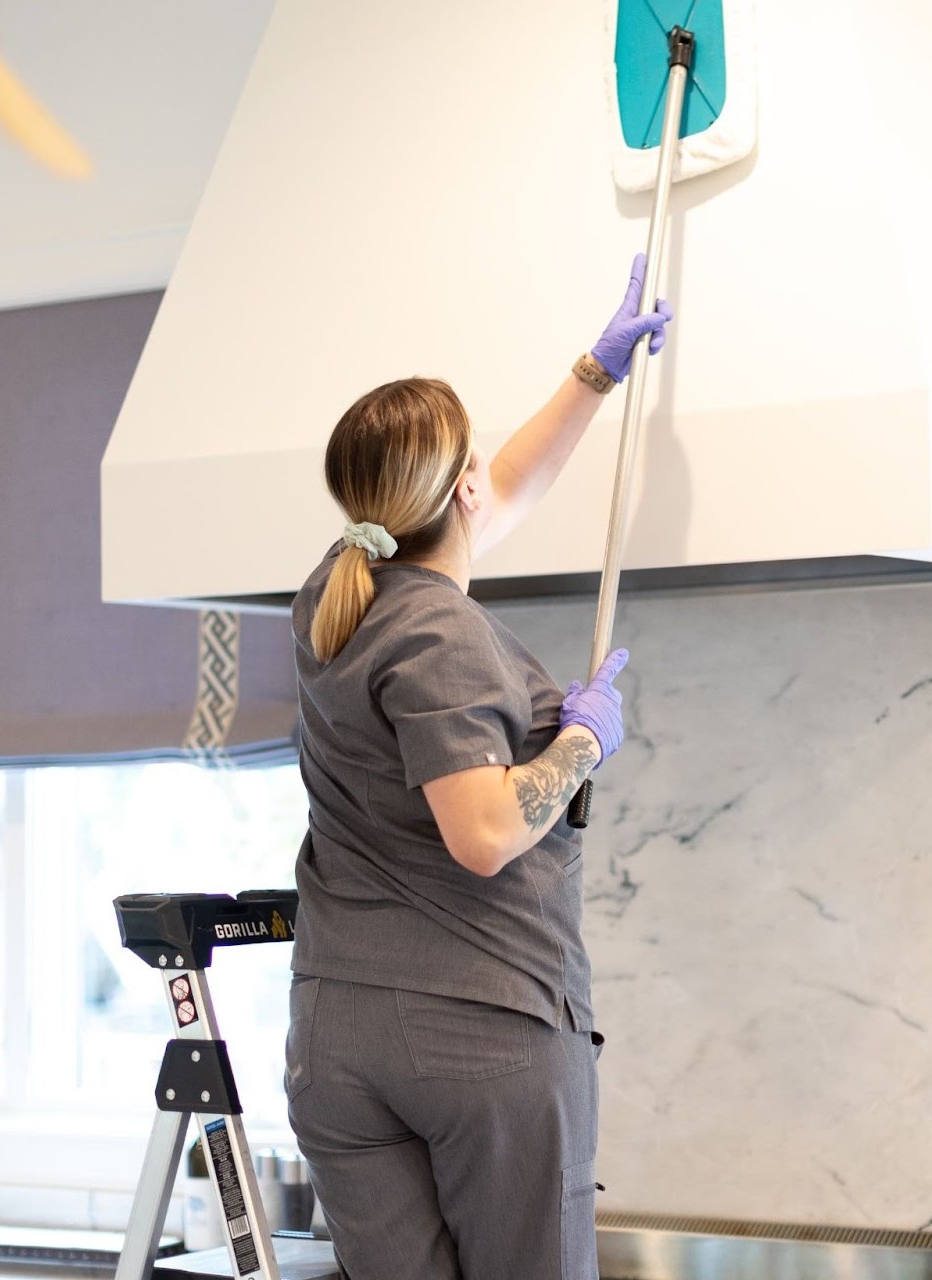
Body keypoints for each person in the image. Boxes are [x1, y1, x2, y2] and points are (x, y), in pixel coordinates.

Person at [283, 257, 673, 1280]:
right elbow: (487, 831)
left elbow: (497, 493)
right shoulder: (443, 634)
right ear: (452, 487)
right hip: (480, 1033)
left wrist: (595, 372)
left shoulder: (338, 591)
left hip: (338, 1036)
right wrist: (583, 739)